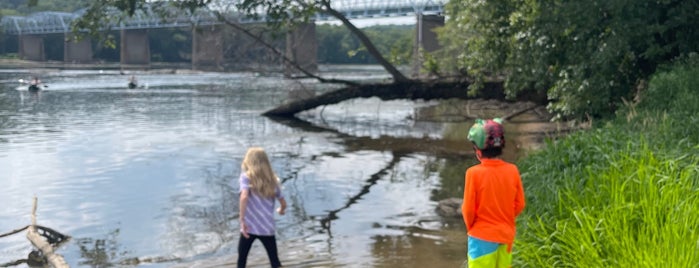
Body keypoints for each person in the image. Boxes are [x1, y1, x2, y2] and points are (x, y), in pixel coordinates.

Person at [461, 118, 526, 268]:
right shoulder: (513, 170)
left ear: (478, 152)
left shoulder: (473, 173)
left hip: (481, 235)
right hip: (506, 235)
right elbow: (520, 204)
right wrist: (504, 217)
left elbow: (468, 209)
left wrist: (472, 227)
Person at [238, 147, 287, 268]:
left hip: (249, 226)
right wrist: (281, 210)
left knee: (242, 259)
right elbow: (283, 201)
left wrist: (242, 218)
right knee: (274, 260)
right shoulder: (272, 181)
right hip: (267, 226)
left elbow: (244, 196)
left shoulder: (246, 178)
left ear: (248, 161)